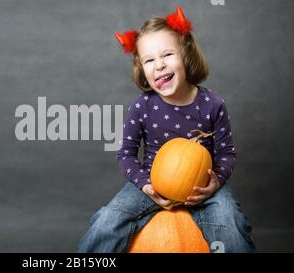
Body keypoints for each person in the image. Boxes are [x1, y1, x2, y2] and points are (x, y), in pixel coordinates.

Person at [77, 6, 256, 253]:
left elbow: (226, 154)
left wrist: (216, 183)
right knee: (107, 221)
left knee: (230, 222)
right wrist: (146, 185)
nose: (159, 65)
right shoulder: (143, 105)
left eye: (167, 55)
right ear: (142, 67)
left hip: (201, 186)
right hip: (153, 182)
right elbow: (125, 154)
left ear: (186, 53)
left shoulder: (212, 104)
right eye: (149, 60)